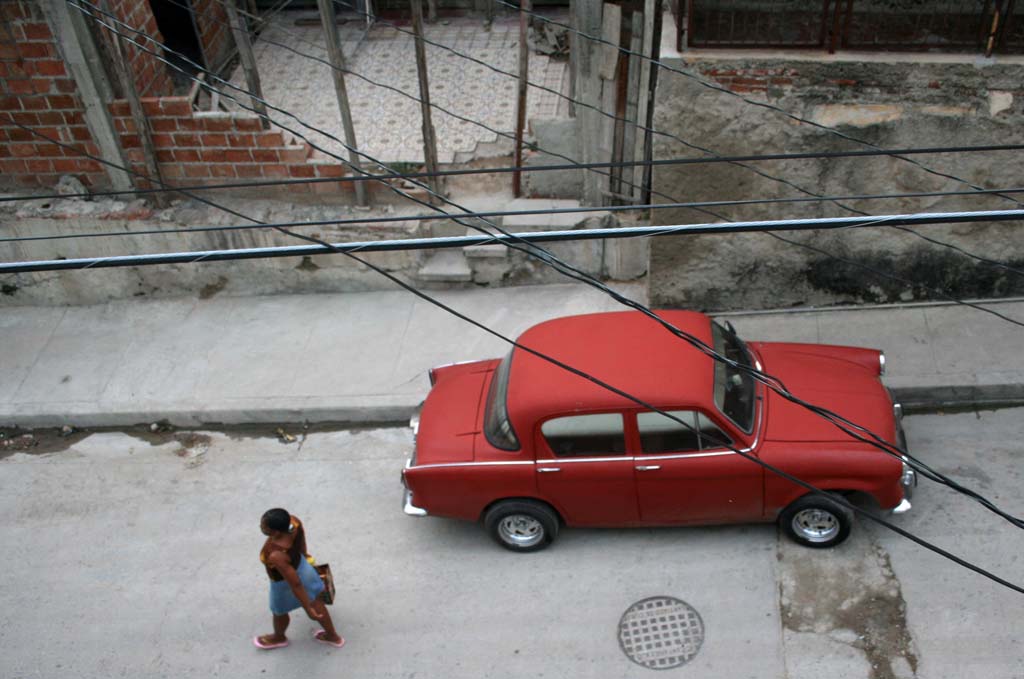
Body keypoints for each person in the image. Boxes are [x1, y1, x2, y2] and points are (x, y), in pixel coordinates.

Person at [254, 508, 344, 650]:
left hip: (282, 583)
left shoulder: (275, 554)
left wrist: (308, 608)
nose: (261, 527)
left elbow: (295, 584)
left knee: (279, 611)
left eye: (264, 527)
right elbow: (301, 540)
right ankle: (333, 636)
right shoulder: (293, 523)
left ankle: (279, 637)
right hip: (303, 567)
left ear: (276, 532)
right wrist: (305, 556)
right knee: (316, 602)